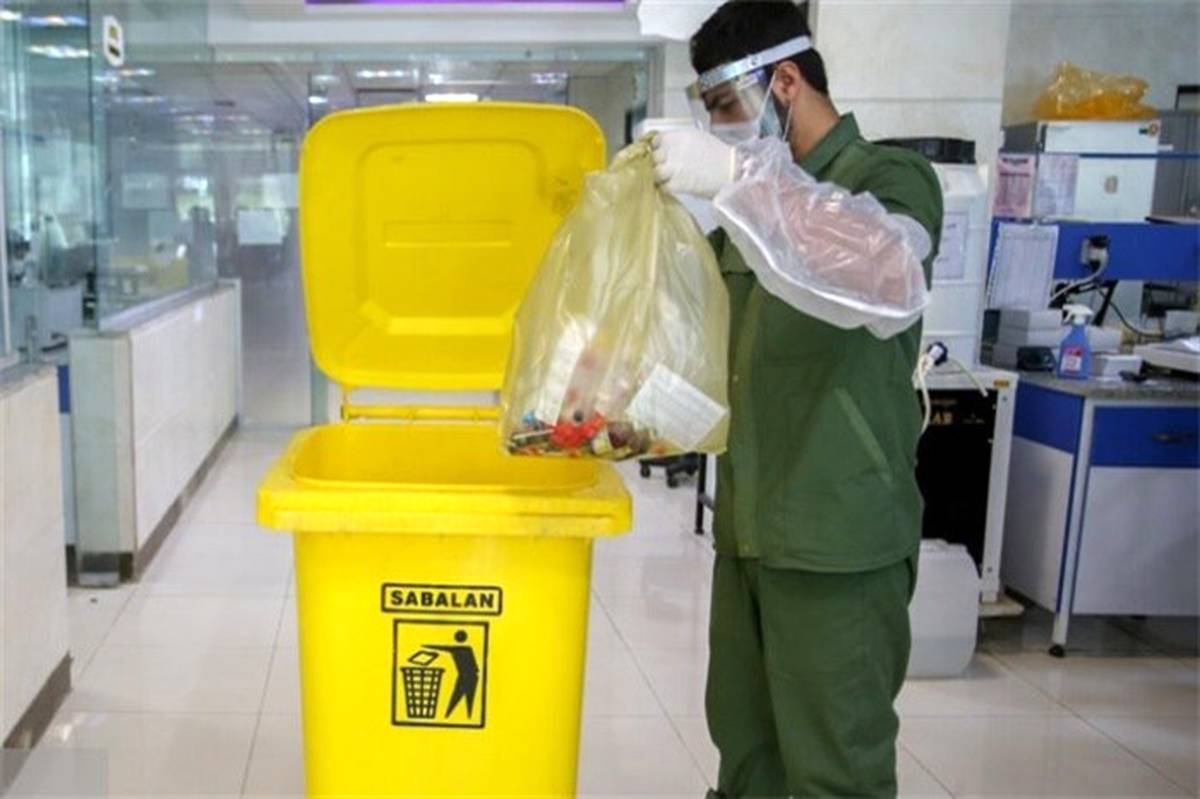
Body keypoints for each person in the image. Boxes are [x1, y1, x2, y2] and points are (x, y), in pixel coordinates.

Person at [650, 2, 944, 797]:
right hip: (749, 534)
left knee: (833, 769)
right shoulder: (748, 219)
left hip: (838, 541)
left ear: (784, 82)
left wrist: (738, 180)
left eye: (725, 105)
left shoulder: (887, 180)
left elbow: (885, 275)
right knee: (747, 755)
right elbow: (697, 331)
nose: (720, 129)